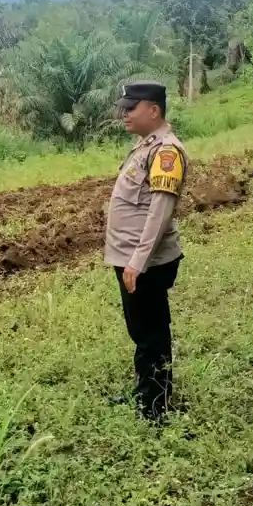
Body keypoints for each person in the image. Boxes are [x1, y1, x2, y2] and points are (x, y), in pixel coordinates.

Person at [104, 81, 189, 422]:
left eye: (131, 108)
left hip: (146, 262)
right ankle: (147, 391)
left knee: (151, 333)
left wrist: (137, 262)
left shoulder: (167, 152)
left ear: (153, 110)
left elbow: (159, 212)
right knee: (141, 330)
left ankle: (154, 408)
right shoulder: (146, 146)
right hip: (132, 258)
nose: (124, 114)